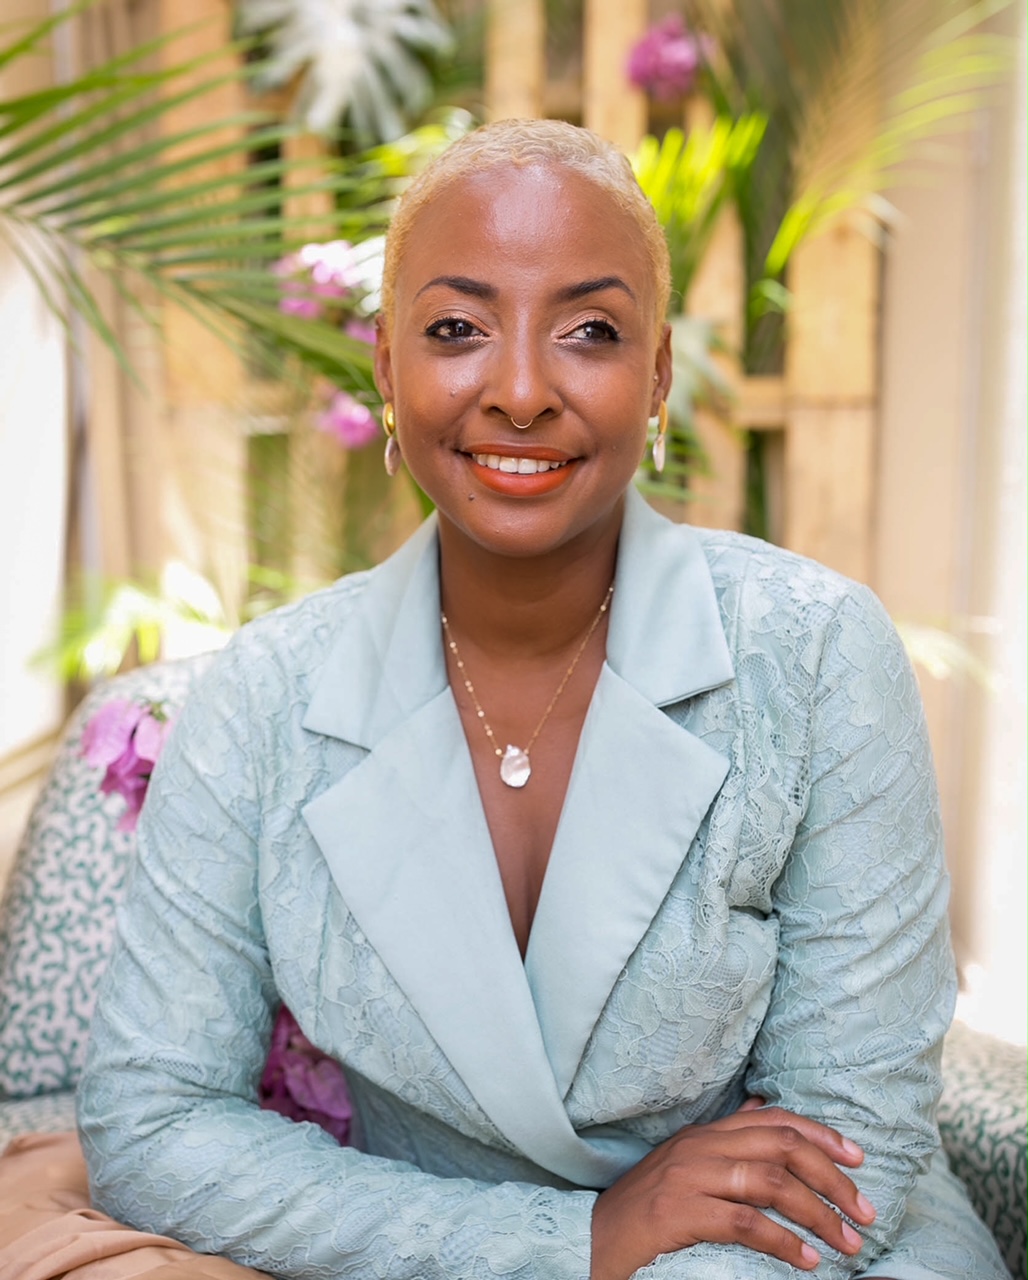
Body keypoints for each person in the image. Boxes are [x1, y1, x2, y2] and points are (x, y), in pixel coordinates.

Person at [67, 118, 1009, 1280]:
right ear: (384, 364)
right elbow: (152, 1121)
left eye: (589, 331)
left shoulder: (810, 654)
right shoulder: (261, 697)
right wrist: (577, 1239)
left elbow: (844, 1152)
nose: (517, 389)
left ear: (656, 372)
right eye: (456, 328)